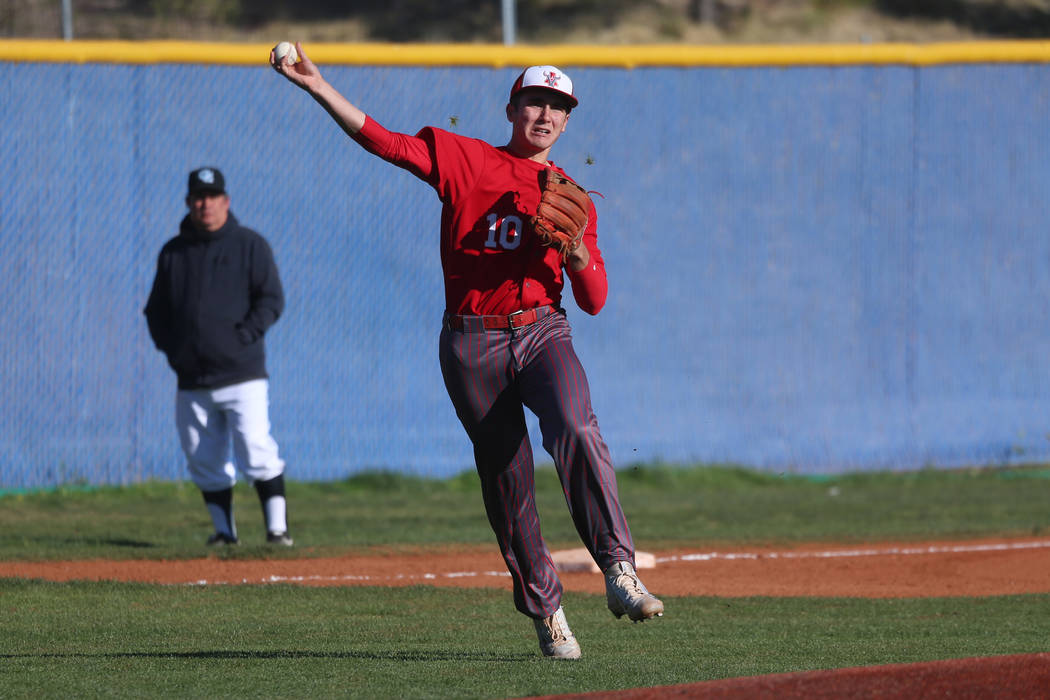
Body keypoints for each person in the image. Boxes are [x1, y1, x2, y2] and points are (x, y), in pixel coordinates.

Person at [271, 44, 662, 659]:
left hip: (541, 331)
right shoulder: (466, 159)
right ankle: (548, 611)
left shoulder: (570, 195)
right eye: (535, 100)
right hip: (470, 341)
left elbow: (595, 300)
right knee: (508, 480)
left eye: (558, 107)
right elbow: (386, 142)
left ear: (567, 121)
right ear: (511, 107)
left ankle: (618, 570)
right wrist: (318, 87)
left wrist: (580, 250)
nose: (545, 114)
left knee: (576, 425)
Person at [144, 167, 293, 548]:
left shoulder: (249, 244)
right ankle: (224, 533)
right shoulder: (174, 252)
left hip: (242, 373)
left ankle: (277, 531)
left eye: (212, 196)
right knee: (202, 457)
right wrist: (173, 351)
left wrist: (242, 337)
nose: (204, 203)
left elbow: (271, 299)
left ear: (225, 201)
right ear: (188, 203)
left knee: (256, 449)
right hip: (192, 378)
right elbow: (155, 311)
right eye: (198, 196)